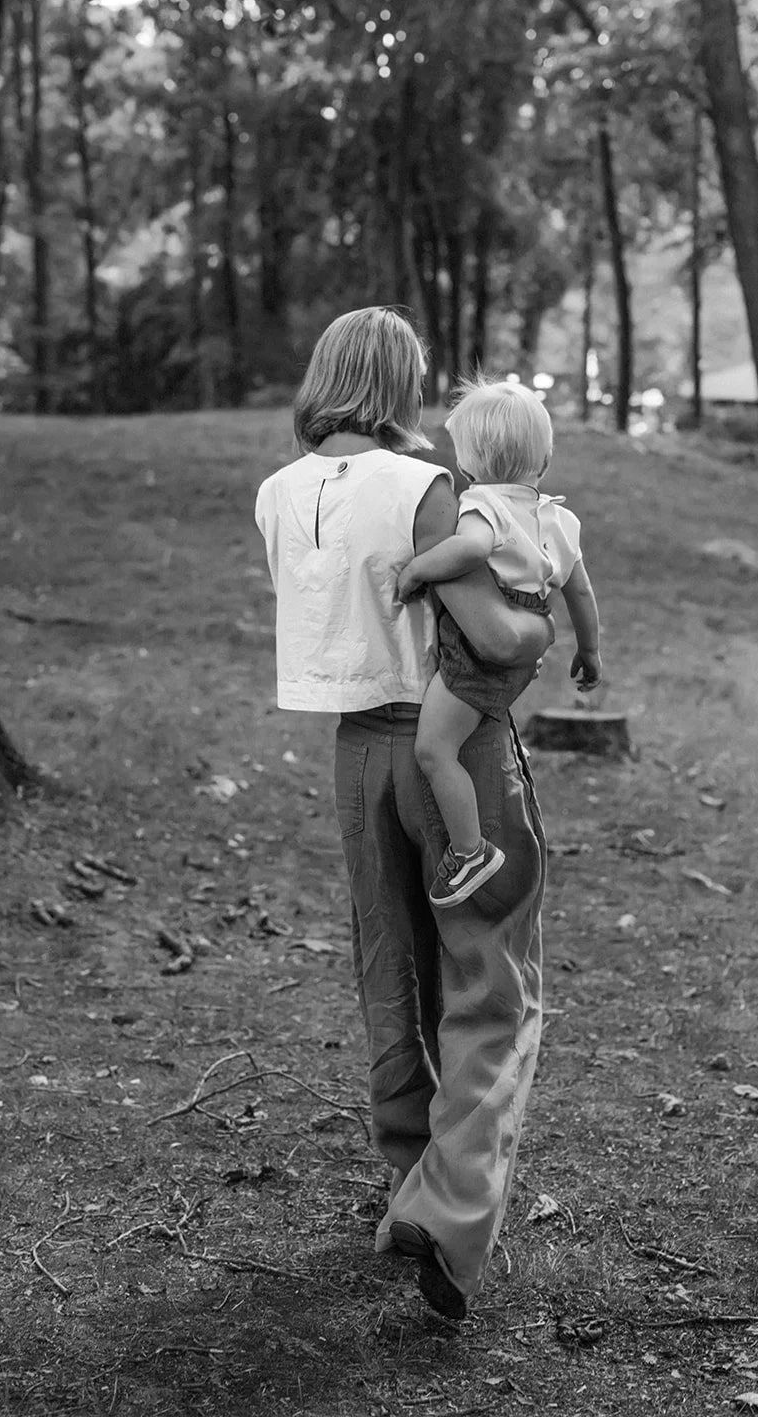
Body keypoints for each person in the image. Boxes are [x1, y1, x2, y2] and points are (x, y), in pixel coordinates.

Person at [254, 307, 553, 1321]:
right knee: (490, 983)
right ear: (397, 383)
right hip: (450, 750)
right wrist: (543, 621)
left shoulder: (278, 493)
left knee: (388, 964)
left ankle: (406, 1176)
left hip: (355, 757)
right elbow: (491, 633)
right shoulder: (427, 487)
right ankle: (451, 1209)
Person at [397, 377, 602, 909]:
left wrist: (419, 567)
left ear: (468, 462)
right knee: (461, 736)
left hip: (480, 651)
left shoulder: (483, 506)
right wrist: (589, 650)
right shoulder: (561, 519)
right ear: (547, 454)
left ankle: (471, 851)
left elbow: (468, 552)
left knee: (434, 749)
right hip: (528, 626)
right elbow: (579, 589)